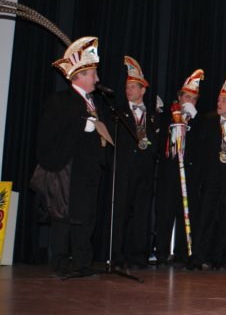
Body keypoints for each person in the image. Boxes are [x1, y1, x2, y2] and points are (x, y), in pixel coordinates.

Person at [34, 36, 111, 278]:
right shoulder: (59, 101)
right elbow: (50, 135)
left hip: (89, 170)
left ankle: (82, 262)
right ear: (79, 76)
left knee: (86, 216)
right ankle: (60, 263)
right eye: (93, 74)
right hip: (67, 169)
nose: (97, 79)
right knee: (64, 216)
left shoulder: (95, 102)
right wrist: (80, 126)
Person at [188, 69, 226, 271]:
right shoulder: (208, 122)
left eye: (224, 100)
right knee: (205, 218)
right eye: (218, 100)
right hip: (211, 179)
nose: (219, 103)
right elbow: (199, 148)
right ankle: (198, 257)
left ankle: (218, 258)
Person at [111, 56, 159, 269]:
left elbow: (157, 143)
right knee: (121, 213)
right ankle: (117, 254)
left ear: (143, 90)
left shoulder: (153, 117)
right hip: (125, 170)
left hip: (145, 172)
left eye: (132, 87)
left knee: (141, 213)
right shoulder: (119, 113)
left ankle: (138, 255)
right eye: (126, 87)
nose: (128, 90)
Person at [154, 69, 204, 267]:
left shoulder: (199, 121)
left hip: (189, 174)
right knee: (165, 213)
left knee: (186, 215)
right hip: (169, 172)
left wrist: (195, 119)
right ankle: (162, 252)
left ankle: (183, 253)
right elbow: (159, 144)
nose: (188, 101)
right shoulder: (167, 116)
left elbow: (202, 145)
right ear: (179, 97)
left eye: (193, 98)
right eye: (186, 97)